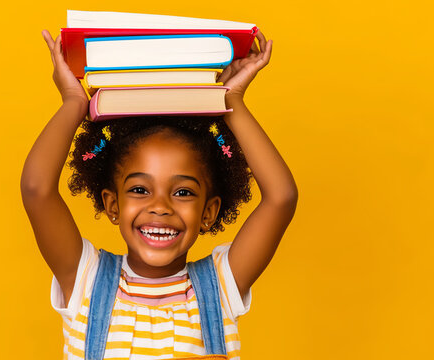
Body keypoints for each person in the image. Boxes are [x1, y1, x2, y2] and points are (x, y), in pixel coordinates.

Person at [21, 28, 297, 360]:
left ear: (209, 212)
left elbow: (281, 197)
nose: (160, 206)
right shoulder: (85, 281)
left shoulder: (221, 285)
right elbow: (37, 190)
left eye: (182, 192)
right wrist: (73, 101)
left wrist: (231, 100)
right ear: (112, 204)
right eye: (140, 189)